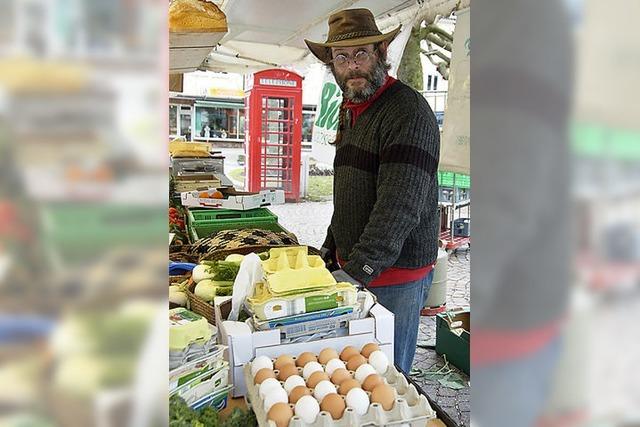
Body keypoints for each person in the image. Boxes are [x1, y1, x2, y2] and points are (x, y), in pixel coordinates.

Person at [305, 8, 440, 373]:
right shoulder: (351, 108)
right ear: (331, 64)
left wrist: (357, 270)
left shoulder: (407, 112)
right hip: (360, 266)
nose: (353, 67)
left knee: (385, 378)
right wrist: (331, 247)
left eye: (361, 54)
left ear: (381, 53)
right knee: (355, 372)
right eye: (342, 57)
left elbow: (400, 206)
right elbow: (349, 191)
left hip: (396, 274)